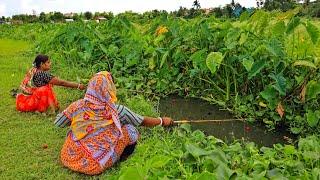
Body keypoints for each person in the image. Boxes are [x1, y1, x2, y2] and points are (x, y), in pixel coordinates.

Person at [54, 71, 173, 175]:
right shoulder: (116, 110)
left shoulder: (77, 106)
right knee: (130, 130)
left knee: (76, 133)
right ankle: (122, 157)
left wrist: (81, 121)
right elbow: (141, 121)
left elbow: (59, 122)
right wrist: (162, 121)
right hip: (94, 165)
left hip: (70, 157)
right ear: (109, 89)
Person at [16, 54, 86, 113]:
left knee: (45, 88)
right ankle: (49, 109)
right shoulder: (42, 74)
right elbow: (62, 83)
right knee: (45, 89)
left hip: (22, 102)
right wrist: (78, 85)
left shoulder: (34, 69)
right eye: (48, 62)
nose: (50, 64)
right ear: (42, 64)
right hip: (29, 104)